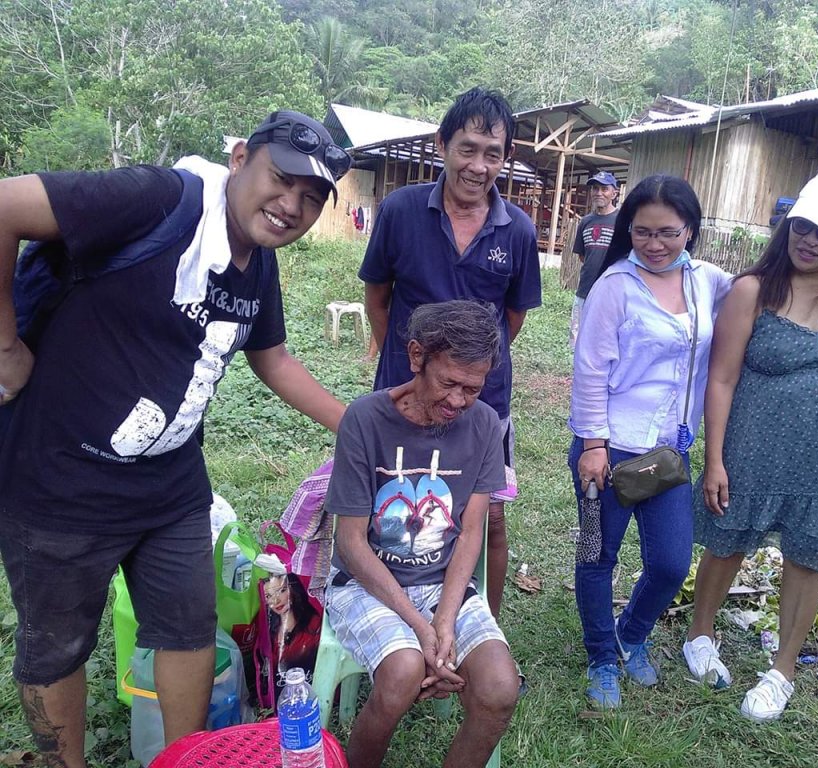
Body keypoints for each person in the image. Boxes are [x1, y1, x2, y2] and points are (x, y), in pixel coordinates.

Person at [0, 110, 350, 768]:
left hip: (170, 487)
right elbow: (5, 204)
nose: (290, 206)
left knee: (188, 628)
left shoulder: (257, 262)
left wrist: (357, 426)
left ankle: (183, 760)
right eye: (282, 180)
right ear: (242, 156)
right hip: (58, 479)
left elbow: (271, 358)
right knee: (56, 645)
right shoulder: (159, 200)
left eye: (311, 199)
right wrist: (4, 346)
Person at [682, 168, 818, 721]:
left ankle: (783, 668)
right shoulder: (754, 290)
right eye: (801, 225)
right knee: (727, 541)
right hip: (753, 447)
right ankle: (700, 634)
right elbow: (722, 378)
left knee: (809, 555)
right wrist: (715, 459)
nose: (810, 239)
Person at [360, 87, 542, 620]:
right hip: (404, 390)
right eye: (467, 148)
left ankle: (481, 627)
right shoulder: (400, 210)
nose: (478, 166)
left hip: (482, 403)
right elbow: (379, 299)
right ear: (442, 145)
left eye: (492, 153)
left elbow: (512, 318)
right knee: (390, 508)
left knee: (487, 519)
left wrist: (466, 376)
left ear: (504, 157)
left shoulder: (521, 231)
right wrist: (411, 364)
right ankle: (388, 626)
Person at [325, 300, 519, 768]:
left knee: (499, 688)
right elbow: (350, 542)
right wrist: (419, 626)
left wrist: (445, 622)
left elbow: (470, 533)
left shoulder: (484, 425)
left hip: (443, 584)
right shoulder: (365, 419)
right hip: (365, 585)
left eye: (472, 388)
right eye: (448, 382)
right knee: (402, 673)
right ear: (416, 357)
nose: (457, 400)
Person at [568, 174, 732, 709]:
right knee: (598, 556)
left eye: (668, 232)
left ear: (691, 230)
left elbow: (763, 297)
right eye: (641, 232)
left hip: (669, 452)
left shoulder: (708, 281)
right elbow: (590, 370)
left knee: (670, 563)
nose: (655, 244)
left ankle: (630, 634)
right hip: (609, 448)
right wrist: (593, 444)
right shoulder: (615, 285)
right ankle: (600, 657)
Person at [569, 171, 619, 346]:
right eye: (595, 189)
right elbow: (583, 256)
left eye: (604, 189)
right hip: (585, 289)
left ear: (614, 193)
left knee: (606, 338)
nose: (599, 193)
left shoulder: (622, 221)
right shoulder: (585, 222)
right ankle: (578, 372)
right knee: (580, 337)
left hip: (612, 292)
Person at [264, 572, 323, 706]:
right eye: (268, 596)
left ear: (293, 588)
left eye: (282, 591)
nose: (276, 601)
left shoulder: (314, 624)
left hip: (313, 695)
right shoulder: (269, 632)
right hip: (284, 699)